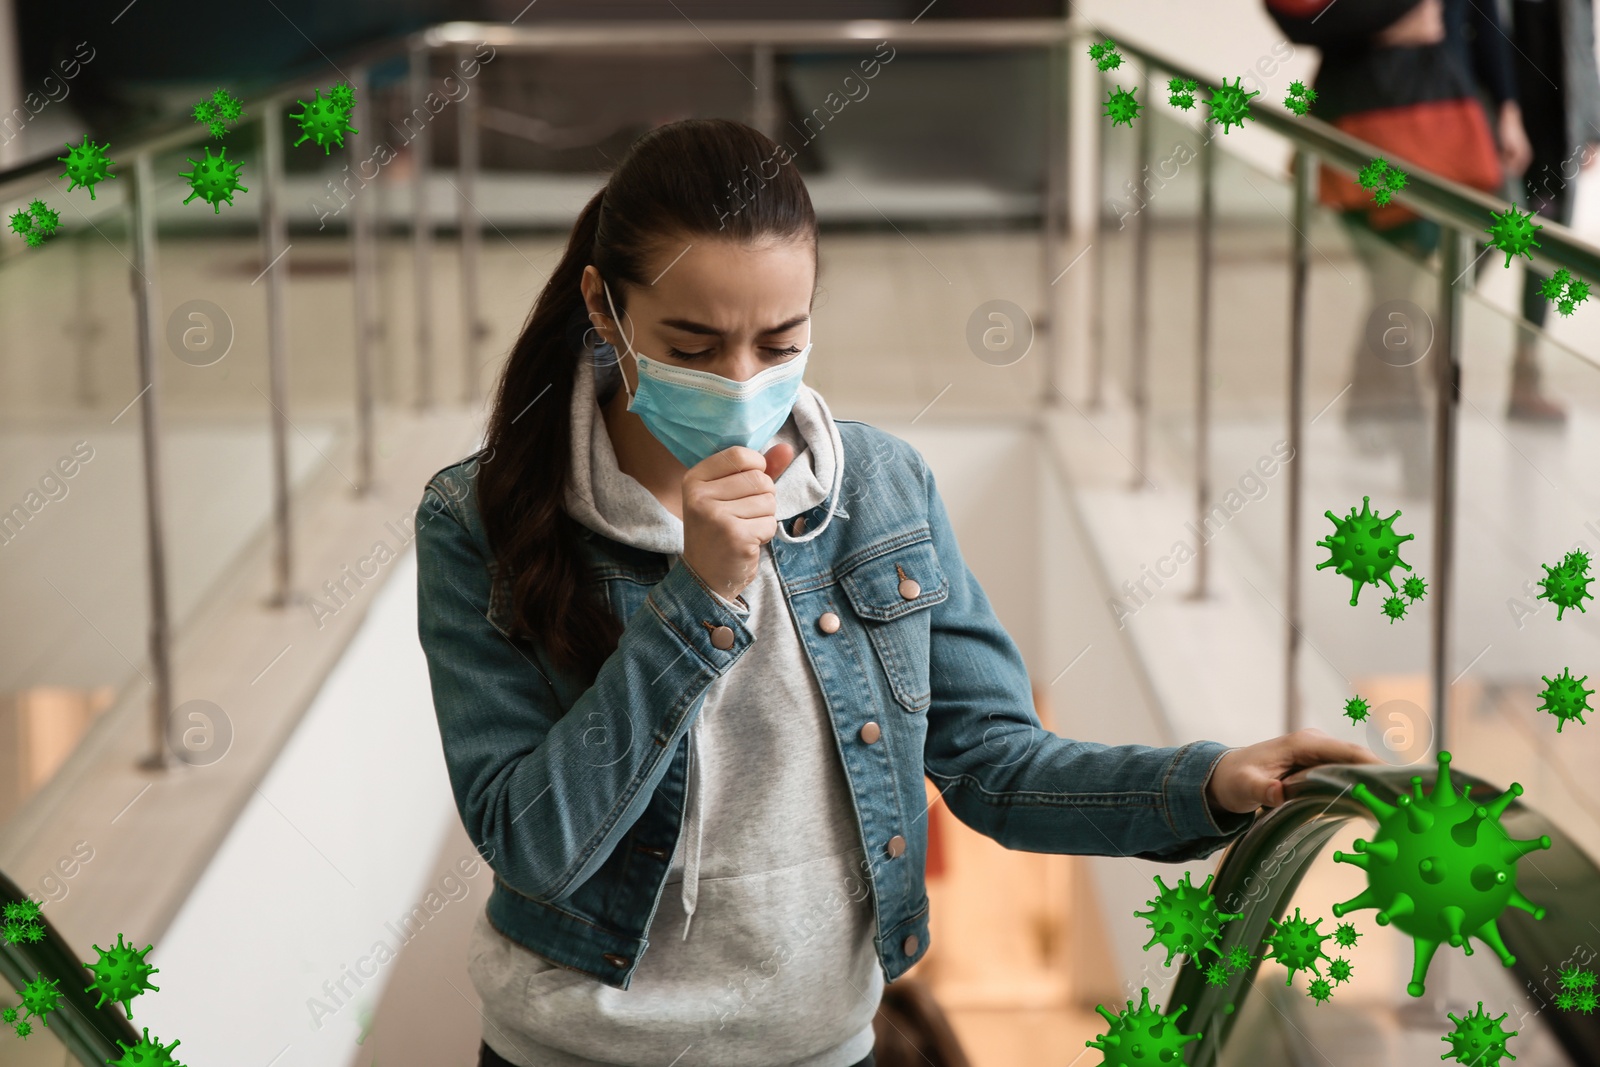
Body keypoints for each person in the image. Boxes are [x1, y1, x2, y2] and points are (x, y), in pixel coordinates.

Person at [413, 117, 1376, 1067]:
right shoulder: (480, 518)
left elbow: (993, 761)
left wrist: (1203, 783)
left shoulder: (880, 491)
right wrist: (697, 600)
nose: (744, 380)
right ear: (602, 304)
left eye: (779, 340)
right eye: (695, 346)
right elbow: (530, 842)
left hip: (825, 1048)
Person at [1268, 0, 1506, 489]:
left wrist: (1507, 107)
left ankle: (1375, 399)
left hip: (1445, 113)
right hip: (1364, 122)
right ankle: (1415, 442)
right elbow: (1298, 18)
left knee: (1421, 284)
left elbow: (1482, 17)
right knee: (1395, 290)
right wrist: (1400, 15)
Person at [1496, 0, 1600, 421]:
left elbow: (1582, 40)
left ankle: (1525, 375)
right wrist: (1504, 113)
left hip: (1554, 132)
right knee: (1478, 243)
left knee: (1545, 249)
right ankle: (1423, 352)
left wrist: (1591, 121)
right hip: (1499, 122)